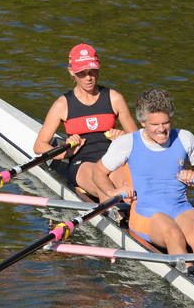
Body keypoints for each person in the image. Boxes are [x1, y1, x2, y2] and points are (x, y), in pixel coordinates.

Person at [93, 88, 194, 257]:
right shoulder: (127, 143)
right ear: (143, 123)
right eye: (155, 125)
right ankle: (186, 272)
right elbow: (98, 171)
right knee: (173, 234)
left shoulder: (185, 138)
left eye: (165, 123)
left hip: (180, 207)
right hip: (146, 213)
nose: (161, 129)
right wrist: (111, 191)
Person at [33, 43, 137, 198]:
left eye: (92, 72)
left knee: (128, 188)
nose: (88, 78)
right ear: (72, 72)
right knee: (101, 186)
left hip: (111, 157)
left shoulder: (114, 98)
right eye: (82, 73)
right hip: (82, 162)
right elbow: (39, 146)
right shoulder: (63, 104)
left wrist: (124, 137)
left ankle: (127, 213)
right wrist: (65, 153)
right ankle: (113, 209)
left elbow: (139, 141)